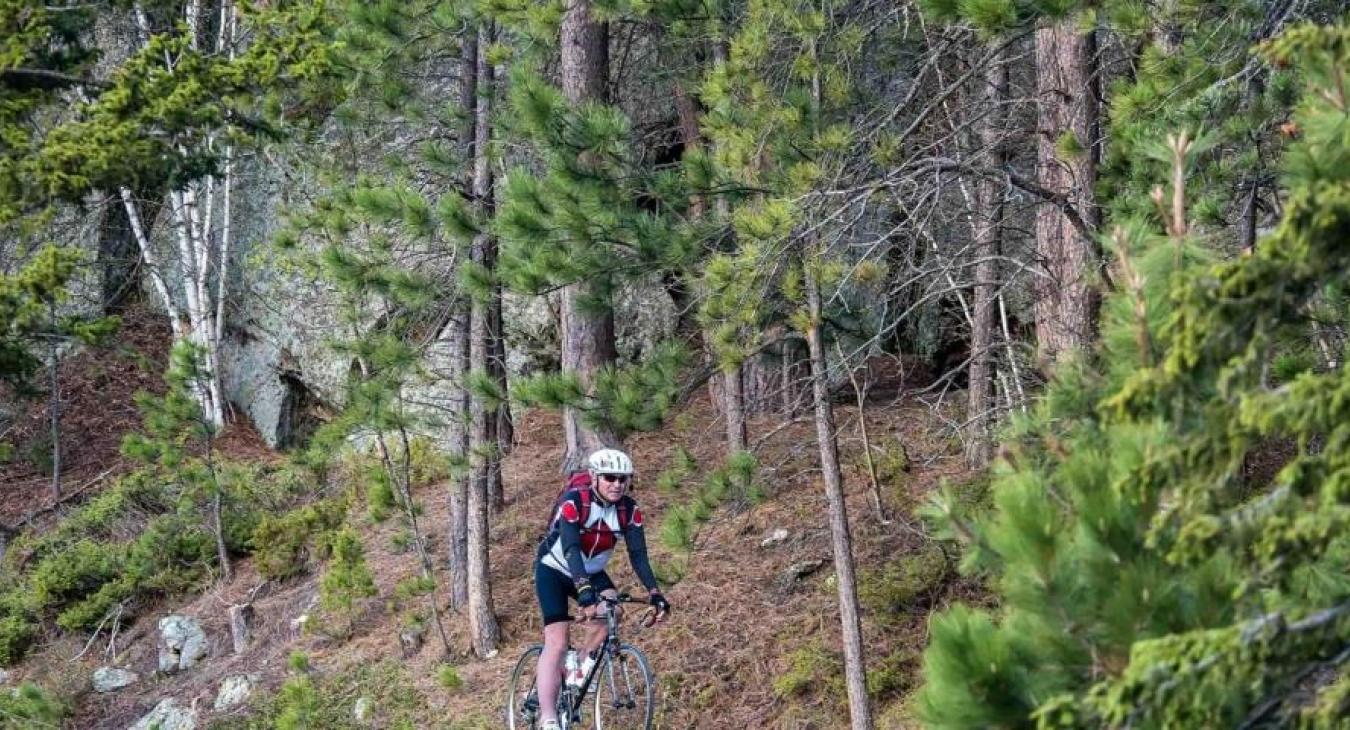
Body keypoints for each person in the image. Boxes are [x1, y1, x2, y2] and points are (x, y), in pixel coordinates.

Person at [531, 447, 670, 730]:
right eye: (610, 477)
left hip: (592, 571)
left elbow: (638, 554)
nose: (617, 484)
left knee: (612, 612)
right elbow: (570, 547)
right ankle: (547, 716)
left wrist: (655, 593)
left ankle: (577, 669)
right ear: (594, 477)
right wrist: (582, 591)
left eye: (623, 479)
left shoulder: (629, 511)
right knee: (557, 640)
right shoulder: (574, 502)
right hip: (555, 569)